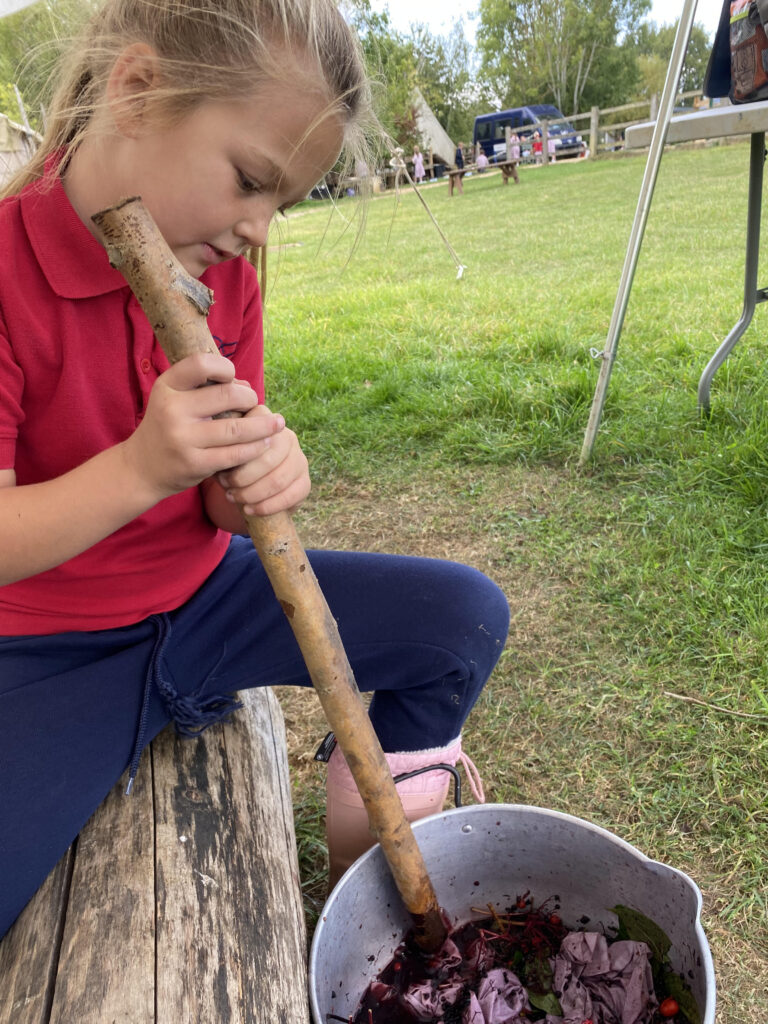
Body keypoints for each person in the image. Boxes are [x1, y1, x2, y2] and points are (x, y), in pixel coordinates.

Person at [0, 0, 510, 938]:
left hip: (206, 600)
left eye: (283, 201)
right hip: (44, 648)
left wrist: (255, 480)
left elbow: (217, 501)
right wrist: (142, 466)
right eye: (249, 181)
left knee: (460, 618)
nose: (260, 230)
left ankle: (366, 905)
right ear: (139, 90)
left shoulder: (222, 273)